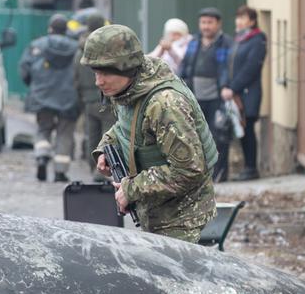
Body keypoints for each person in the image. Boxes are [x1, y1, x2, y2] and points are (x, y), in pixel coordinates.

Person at [83, 24, 218, 243]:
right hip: (157, 214)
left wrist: (131, 189)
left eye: (106, 72)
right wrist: (105, 148)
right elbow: (126, 127)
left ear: (126, 67)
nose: (98, 81)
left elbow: (188, 170)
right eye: (96, 72)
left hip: (182, 221)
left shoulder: (165, 104)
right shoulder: (130, 89)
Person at [19, 14, 79, 182]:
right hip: (68, 97)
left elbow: (24, 69)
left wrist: (33, 85)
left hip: (42, 95)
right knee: (65, 133)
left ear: (50, 28)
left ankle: (42, 156)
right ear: (66, 30)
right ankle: (60, 171)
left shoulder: (36, 45)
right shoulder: (76, 48)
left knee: (43, 128)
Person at [180, 7, 232, 182]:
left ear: (218, 24)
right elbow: (185, 66)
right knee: (195, 136)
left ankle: (219, 174)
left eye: (210, 22)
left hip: (217, 98)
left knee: (218, 137)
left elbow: (228, 69)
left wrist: (226, 86)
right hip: (195, 97)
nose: (206, 26)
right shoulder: (194, 42)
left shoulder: (226, 43)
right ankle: (200, 174)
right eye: (203, 22)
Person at [222, 6, 267, 181]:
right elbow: (229, 65)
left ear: (253, 21)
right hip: (234, 93)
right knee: (240, 130)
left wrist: (233, 88)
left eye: (243, 18)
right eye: (237, 17)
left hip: (248, 93)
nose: (238, 21)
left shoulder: (258, 39)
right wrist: (226, 85)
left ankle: (251, 168)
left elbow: (251, 68)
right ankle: (247, 167)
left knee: (247, 130)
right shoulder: (239, 39)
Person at [74, 12, 115, 179]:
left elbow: (75, 77)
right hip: (106, 97)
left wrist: (80, 97)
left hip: (87, 99)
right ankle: (106, 170)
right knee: (108, 133)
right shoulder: (106, 48)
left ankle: (93, 168)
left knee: (92, 134)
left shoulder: (80, 51)